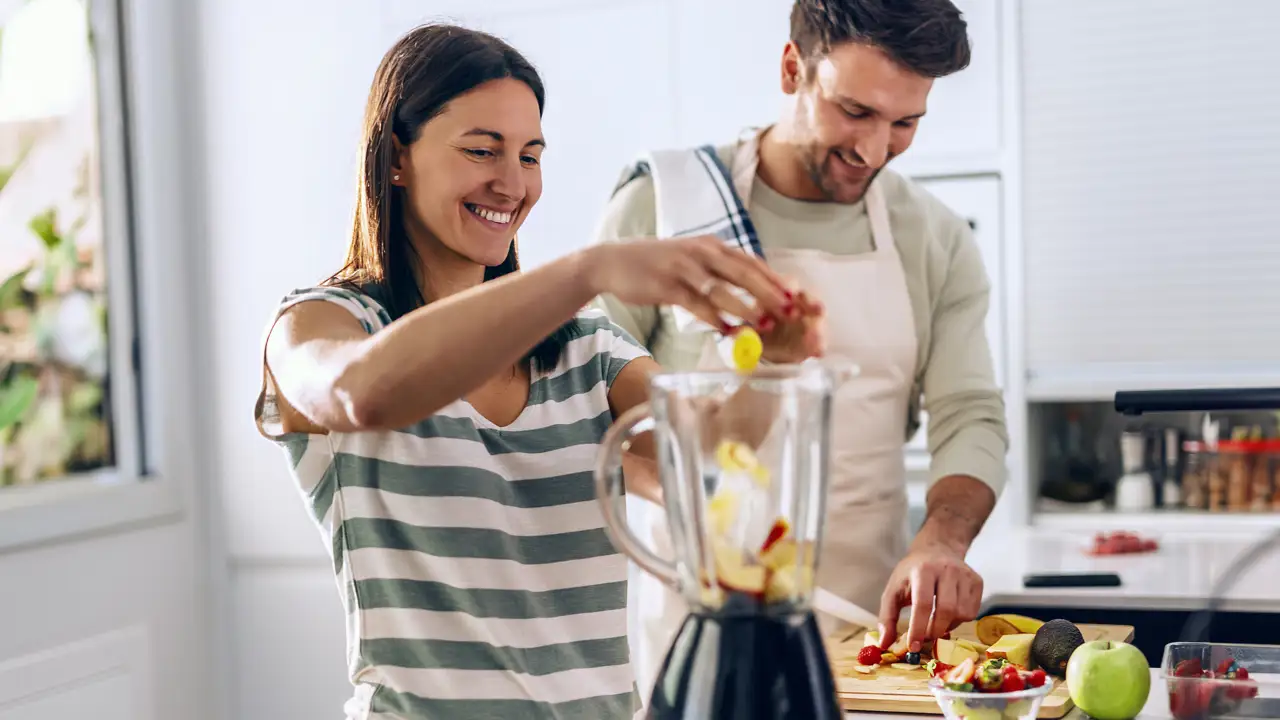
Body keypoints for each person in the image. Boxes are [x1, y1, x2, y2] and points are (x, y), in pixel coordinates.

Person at [252, 24, 794, 720]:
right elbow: (361, 392)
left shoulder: (585, 348)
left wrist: (777, 358)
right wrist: (588, 269)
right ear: (395, 158)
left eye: (531, 155)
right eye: (483, 150)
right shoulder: (321, 324)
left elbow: (712, 454)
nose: (512, 183)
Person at [592, 0, 1009, 696]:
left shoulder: (934, 238)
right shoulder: (663, 206)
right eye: (855, 111)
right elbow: (589, 416)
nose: (874, 150)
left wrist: (942, 539)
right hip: (702, 630)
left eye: (904, 123)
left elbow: (970, 413)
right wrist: (705, 513)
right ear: (793, 68)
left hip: (871, 643)